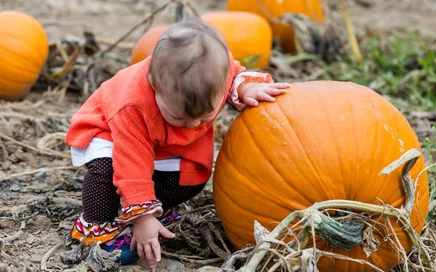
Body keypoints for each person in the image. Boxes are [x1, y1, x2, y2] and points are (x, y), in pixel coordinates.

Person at [65, 20, 289, 268]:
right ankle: (97, 227)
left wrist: (245, 87)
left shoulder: (215, 74)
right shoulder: (133, 106)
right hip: (111, 133)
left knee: (191, 178)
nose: (194, 125)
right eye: (180, 116)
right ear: (153, 84)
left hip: (164, 141)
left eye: (204, 117)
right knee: (106, 171)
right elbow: (131, 162)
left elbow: (235, 74)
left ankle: (144, 207)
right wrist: (142, 216)